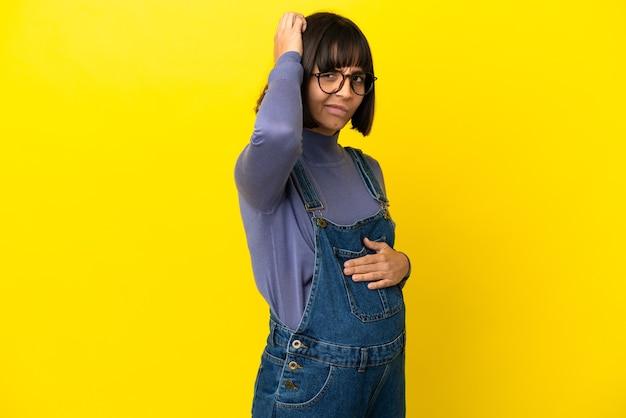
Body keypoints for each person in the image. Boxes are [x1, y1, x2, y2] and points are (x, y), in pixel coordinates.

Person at [235, 11, 411, 417]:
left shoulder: (368, 170)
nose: (345, 92)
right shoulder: (267, 174)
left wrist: (402, 265)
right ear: (300, 77)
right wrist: (287, 60)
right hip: (312, 382)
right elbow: (277, 135)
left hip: (384, 376)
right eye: (328, 74)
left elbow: (374, 275)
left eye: (357, 79)